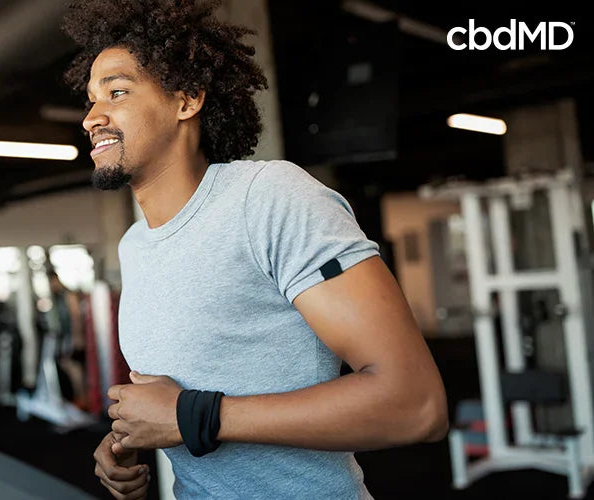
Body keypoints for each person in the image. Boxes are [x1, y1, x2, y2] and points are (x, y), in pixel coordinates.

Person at [61, 1, 449, 498]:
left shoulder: (269, 198)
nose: (93, 116)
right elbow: (177, 397)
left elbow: (414, 404)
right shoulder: (136, 244)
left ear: (187, 100)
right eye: (90, 100)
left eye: (116, 92)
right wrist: (130, 438)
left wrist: (194, 417)